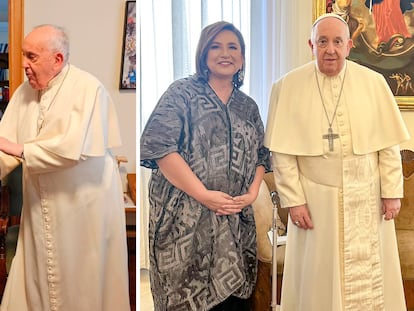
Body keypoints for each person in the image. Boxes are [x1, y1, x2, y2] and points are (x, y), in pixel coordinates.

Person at [265, 13, 410, 311]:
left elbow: (387, 145)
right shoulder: (288, 86)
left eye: (337, 41)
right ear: (311, 45)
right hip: (317, 202)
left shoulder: (373, 83)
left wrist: (392, 193)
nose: (330, 49)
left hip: (367, 199)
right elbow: (283, 154)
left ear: (349, 45)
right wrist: (294, 201)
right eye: (322, 41)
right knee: (318, 278)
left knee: (373, 282)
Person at [140, 21, 271, 310]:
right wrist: (203, 194)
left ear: (242, 57)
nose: (225, 53)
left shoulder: (248, 107)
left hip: (235, 219)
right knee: (185, 296)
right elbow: (160, 147)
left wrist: (250, 194)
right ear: (203, 54)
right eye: (216, 46)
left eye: (233, 47)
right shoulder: (181, 94)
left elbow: (262, 156)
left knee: (233, 302)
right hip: (184, 220)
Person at [0, 24, 130, 311]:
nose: (23, 65)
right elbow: (4, 147)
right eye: (23, 55)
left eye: (31, 57)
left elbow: (70, 151)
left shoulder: (88, 89)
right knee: (37, 278)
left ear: (57, 59)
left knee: (81, 280)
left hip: (83, 206)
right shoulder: (24, 93)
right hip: (40, 206)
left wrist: (21, 149)